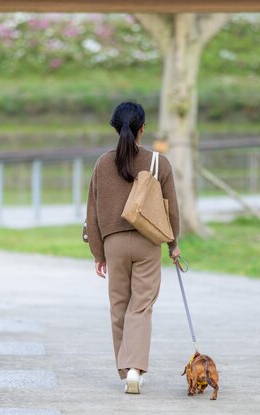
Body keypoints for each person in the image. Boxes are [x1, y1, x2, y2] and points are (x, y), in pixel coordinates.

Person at [85, 101, 180, 394]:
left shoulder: (102, 163)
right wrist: (173, 244)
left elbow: (93, 212)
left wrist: (99, 254)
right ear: (143, 128)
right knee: (140, 307)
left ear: (115, 127)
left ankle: (125, 369)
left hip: (113, 244)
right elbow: (171, 211)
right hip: (147, 242)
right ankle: (136, 369)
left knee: (119, 307)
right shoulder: (158, 163)